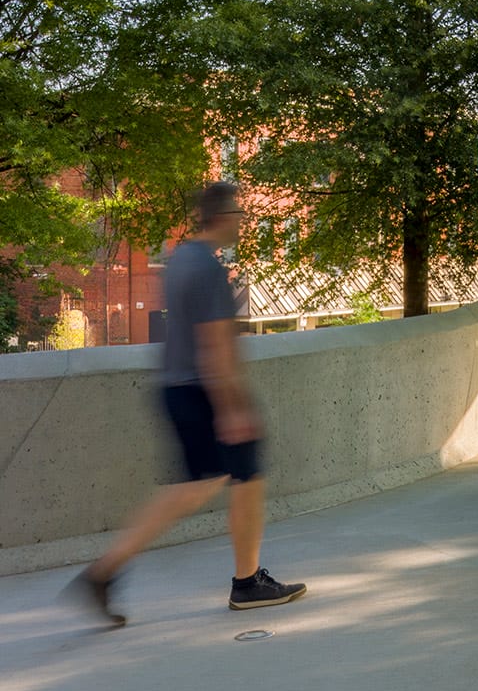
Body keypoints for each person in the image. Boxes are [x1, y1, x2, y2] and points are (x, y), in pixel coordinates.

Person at [67, 180, 307, 625]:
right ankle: (244, 582)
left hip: (177, 386)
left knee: (209, 483)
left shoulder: (179, 260)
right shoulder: (209, 269)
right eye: (238, 214)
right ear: (223, 217)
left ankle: (110, 572)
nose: (241, 222)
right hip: (204, 390)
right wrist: (234, 406)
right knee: (223, 480)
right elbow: (215, 345)